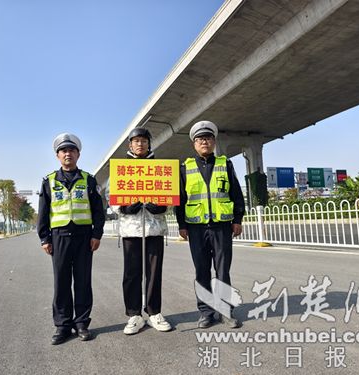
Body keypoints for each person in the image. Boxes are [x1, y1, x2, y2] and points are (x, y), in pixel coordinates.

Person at [175, 120, 245, 329]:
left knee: (223, 270)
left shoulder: (225, 164)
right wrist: (182, 225)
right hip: (196, 228)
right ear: (194, 144)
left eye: (208, 138)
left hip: (221, 226)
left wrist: (238, 219)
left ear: (214, 142)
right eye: (200, 139)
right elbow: (180, 198)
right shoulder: (184, 167)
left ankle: (225, 310)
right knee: (201, 271)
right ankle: (205, 312)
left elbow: (236, 193)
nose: (204, 142)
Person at [37, 133, 105, 345]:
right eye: (64, 151)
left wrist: (97, 234)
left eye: (72, 151)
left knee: (83, 281)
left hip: (84, 238)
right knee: (62, 282)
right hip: (59, 238)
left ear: (78, 154)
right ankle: (63, 326)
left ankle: (82, 323)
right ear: (58, 156)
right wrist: (44, 239)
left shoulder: (88, 179)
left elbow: (98, 210)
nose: (68, 154)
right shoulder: (48, 181)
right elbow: (43, 212)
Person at [111, 128, 172, 335]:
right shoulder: (121, 169)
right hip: (131, 229)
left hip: (154, 228)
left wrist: (164, 207)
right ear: (130, 145)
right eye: (135, 141)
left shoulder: (160, 168)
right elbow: (112, 198)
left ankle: (154, 312)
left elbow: (171, 196)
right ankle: (134, 315)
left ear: (149, 144)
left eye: (144, 141)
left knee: (154, 273)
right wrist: (123, 208)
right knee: (131, 273)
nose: (140, 144)